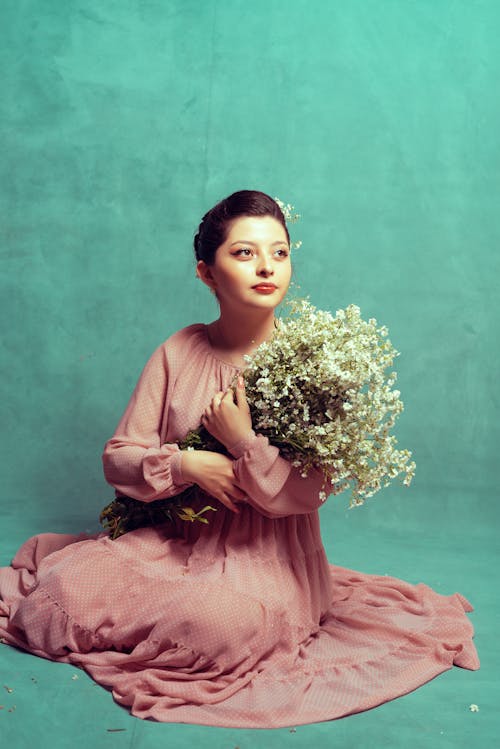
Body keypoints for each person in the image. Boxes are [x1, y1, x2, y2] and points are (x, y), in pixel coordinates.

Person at [0, 191, 479, 728]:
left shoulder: (313, 363)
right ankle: (158, 611)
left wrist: (243, 441)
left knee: (219, 625)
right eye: (245, 253)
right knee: (62, 590)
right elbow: (119, 458)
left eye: (279, 252)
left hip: (266, 558)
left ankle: (193, 619)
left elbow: (308, 492)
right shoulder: (178, 351)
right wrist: (187, 466)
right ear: (207, 272)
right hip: (177, 542)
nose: (267, 267)